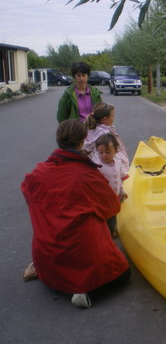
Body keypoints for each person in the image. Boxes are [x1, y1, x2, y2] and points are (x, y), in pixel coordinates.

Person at [21, 119, 130, 308]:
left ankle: (40, 269)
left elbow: (29, 196)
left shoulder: (37, 173)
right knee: (123, 273)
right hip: (82, 257)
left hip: (46, 257)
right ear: (82, 141)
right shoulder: (87, 175)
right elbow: (111, 208)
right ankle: (83, 289)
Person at [95, 133, 129, 238]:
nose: (104, 155)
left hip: (114, 197)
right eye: (101, 152)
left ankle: (112, 231)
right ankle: (108, 234)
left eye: (108, 152)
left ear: (116, 151)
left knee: (113, 214)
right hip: (102, 200)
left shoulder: (117, 162)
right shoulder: (97, 166)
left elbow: (118, 179)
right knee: (105, 218)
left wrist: (122, 191)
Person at [83, 101, 129, 175]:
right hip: (109, 171)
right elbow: (113, 154)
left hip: (94, 168)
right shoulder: (106, 135)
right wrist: (123, 169)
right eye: (112, 116)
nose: (113, 119)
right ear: (105, 119)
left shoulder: (91, 129)